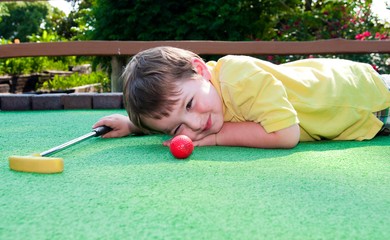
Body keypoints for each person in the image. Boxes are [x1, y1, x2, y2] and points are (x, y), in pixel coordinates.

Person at [93, 46, 390, 149]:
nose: (196, 124)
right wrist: (135, 126)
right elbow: (176, 115)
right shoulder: (199, 93)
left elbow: (286, 134)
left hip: (368, 99)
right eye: (176, 128)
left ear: (200, 69)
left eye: (190, 105)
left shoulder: (239, 76)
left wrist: (216, 139)